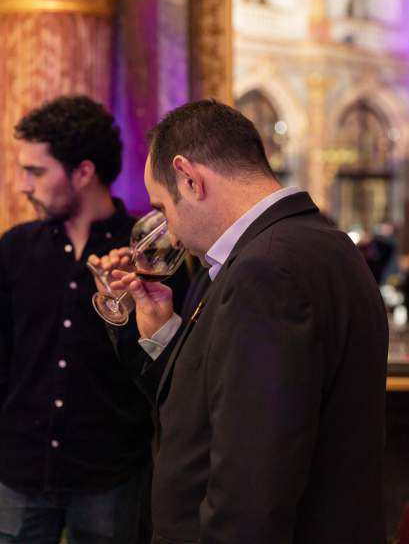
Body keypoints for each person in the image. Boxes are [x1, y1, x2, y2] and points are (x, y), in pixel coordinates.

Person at [105, 99, 389, 544]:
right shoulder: (315, 243)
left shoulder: (267, 269)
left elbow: (252, 486)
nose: (171, 234)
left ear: (189, 178)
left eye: (164, 207)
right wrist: (164, 332)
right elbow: (224, 398)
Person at [0, 95, 188, 543]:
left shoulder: (149, 255)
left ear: (83, 172)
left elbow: (167, 371)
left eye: (36, 171)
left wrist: (131, 308)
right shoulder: (16, 246)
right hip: (19, 470)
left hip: (111, 476)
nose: (23, 186)